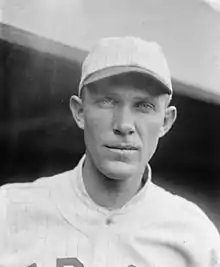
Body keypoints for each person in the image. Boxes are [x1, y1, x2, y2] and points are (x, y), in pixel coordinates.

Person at [0, 36, 219, 267]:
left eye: (144, 106)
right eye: (107, 101)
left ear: (166, 121)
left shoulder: (195, 235)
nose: (124, 125)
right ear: (80, 112)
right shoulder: (9, 210)